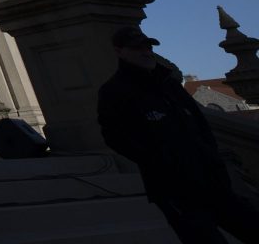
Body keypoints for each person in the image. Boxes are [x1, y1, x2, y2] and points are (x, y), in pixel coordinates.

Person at [97, 25, 259, 244]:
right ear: (119, 51)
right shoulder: (114, 91)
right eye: (136, 48)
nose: (145, 52)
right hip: (175, 187)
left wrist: (212, 157)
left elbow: (201, 125)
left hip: (211, 177)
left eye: (147, 46)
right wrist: (160, 163)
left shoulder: (168, 83)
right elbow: (114, 137)